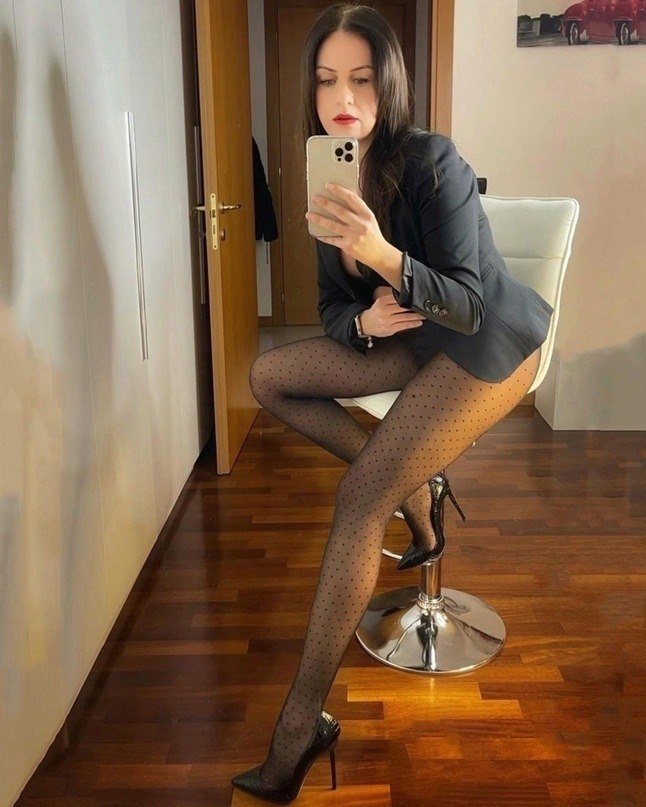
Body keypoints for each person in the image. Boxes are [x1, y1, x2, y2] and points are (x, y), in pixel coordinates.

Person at [232, 3, 553, 802]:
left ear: (390, 85)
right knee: (268, 378)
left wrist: (382, 255)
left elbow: (470, 304)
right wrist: (362, 322)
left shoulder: (433, 162)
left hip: (489, 341)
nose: (342, 98)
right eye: (325, 80)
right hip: (412, 333)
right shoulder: (330, 179)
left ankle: (300, 725)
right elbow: (330, 305)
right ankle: (416, 490)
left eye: (362, 79)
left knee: (356, 498)